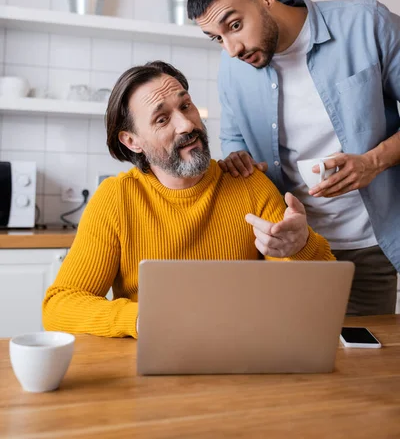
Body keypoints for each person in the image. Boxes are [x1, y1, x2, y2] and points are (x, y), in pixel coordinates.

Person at [43, 61, 334, 339]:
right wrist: (142, 319)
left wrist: (302, 246)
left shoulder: (250, 185)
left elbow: (322, 296)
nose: (186, 125)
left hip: (242, 354)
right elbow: (60, 305)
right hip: (150, 356)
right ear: (133, 141)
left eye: (186, 106)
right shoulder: (116, 198)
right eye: (162, 119)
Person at [187, 0, 400, 316]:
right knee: (294, 366)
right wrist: (239, 157)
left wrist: (372, 162)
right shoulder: (232, 69)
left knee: (363, 365)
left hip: (370, 247)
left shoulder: (367, 24)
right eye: (217, 39)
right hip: (288, 253)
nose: (232, 49)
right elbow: (234, 139)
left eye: (235, 25)